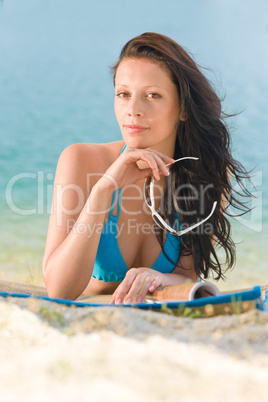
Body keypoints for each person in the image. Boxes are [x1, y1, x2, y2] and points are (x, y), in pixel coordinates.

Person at [42, 32, 250, 303]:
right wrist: (104, 189)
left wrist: (159, 278)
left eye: (152, 95)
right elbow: (59, 290)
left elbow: (186, 276)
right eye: (123, 94)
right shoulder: (81, 160)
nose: (133, 109)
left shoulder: (208, 174)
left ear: (183, 108)